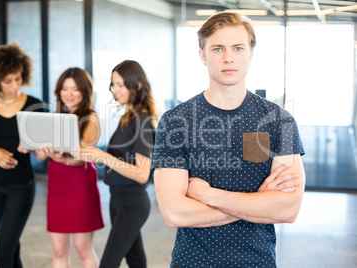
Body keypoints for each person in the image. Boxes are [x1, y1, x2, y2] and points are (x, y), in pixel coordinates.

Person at [152, 12, 306, 267]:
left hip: (256, 262)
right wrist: (258, 201)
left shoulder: (280, 121)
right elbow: (173, 212)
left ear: (251, 53)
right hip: (192, 262)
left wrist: (206, 194)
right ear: (202, 55)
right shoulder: (174, 121)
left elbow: (287, 209)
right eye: (217, 48)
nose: (228, 57)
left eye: (237, 47)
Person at [72, 60, 156, 268]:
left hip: (132, 203)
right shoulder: (128, 115)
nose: (115, 90)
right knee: (136, 260)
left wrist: (102, 157)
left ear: (136, 85)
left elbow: (142, 174)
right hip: (118, 199)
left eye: (120, 84)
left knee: (108, 264)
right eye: (113, 84)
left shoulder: (142, 121)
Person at [0, 43, 47, 267]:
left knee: (3, 253)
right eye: (8, 81)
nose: (15, 85)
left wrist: (36, 148)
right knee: (11, 248)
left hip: (21, 186)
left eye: (18, 78)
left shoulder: (35, 106)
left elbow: (42, 154)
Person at [39, 67, 104, 267]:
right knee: (59, 249)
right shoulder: (54, 117)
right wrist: (31, 146)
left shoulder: (91, 118)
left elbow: (80, 158)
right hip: (57, 186)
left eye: (75, 89)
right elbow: (41, 154)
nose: (69, 94)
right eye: (64, 89)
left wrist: (57, 158)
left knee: (82, 249)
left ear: (84, 91)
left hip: (80, 187)